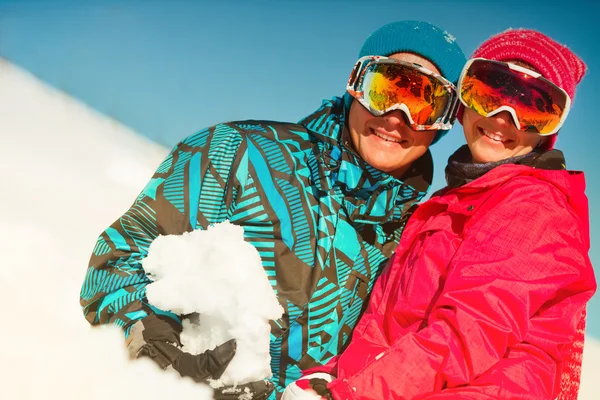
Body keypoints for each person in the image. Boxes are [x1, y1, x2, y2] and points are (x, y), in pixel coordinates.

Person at [79, 21, 466, 399]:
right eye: (385, 89)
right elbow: (117, 264)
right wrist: (162, 355)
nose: (397, 116)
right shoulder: (238, 153)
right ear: (356, 86)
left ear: (443, 126)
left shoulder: (417, 239)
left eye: (424, 103)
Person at [284, 28, 597, 400]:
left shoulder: (531, 207)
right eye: (489, 93)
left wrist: (349, 394)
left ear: (548, 132)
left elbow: (467, 334)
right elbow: (389, 329)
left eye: (532, 109)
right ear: (464, 103)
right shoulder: (457, 203)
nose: (501, 118)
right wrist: (332, 375)